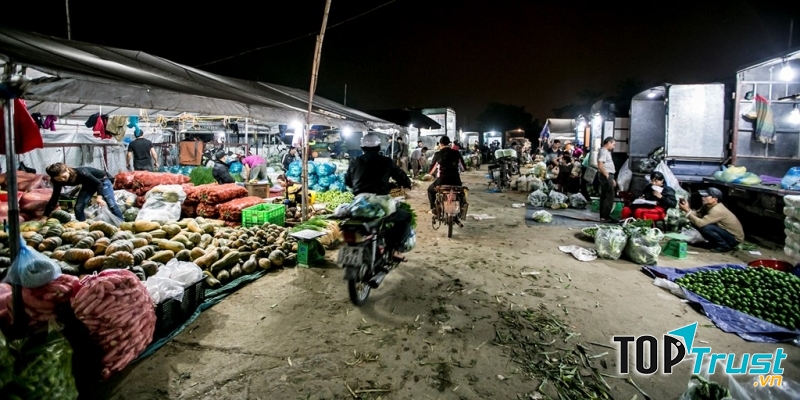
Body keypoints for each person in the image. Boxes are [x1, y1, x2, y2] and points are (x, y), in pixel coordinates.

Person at [344, 132, 413, 261]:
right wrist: (407, 183)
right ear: (378, 147)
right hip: (381, 202)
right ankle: (396, 249)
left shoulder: (354, 161)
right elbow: (400, 175)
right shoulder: (386, 161)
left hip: (359, 202)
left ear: (362, 147)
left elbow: (348, 181)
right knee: (405, 217)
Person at [44, 163, 123, 222]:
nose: (62, 180)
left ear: (67, 169)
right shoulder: (57, 181)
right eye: (58, 178)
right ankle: (82, 226)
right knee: (78, 207)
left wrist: (99, 197)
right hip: (88, 184)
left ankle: (122, 224)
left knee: (111, 203)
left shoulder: (81, 172)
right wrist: (45, 216)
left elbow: (98, 183)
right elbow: (54, 198)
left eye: (64, 176)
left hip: (102, 180)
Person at [679, 187, 744, 252]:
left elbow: (700, 224)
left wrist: (687, 211)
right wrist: (687, 208)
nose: (703, 197)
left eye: (706, 196)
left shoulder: (717, 210)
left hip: (734, 239)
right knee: (695, 221)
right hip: (723, 232)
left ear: (715, 199)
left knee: (706, 228)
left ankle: (724, 246)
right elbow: (697, 214)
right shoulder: (707, 205)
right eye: (703, 196)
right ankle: (714, 243)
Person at [427, 136, 467, 225]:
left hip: (442, 182)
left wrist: (432, 174)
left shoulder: (438, 154)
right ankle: (460, 212)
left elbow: (431, 171)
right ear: (449, 144)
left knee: (430, 190)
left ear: (440, 144)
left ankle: (433, 208)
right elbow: (463, 168)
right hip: (456, 182)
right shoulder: (457, 153)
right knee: (462, 195)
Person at [597, 137, 617, 222]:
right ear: (608, 143)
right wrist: (607, 176)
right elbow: (600, 165)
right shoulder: (604, 151)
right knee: (609, 196)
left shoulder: (605, 152)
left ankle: (604, 216)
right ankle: (605, 216)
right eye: (613, 144)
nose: (614, 146)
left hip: (608, 175)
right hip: (606, 175)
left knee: (606, 195)